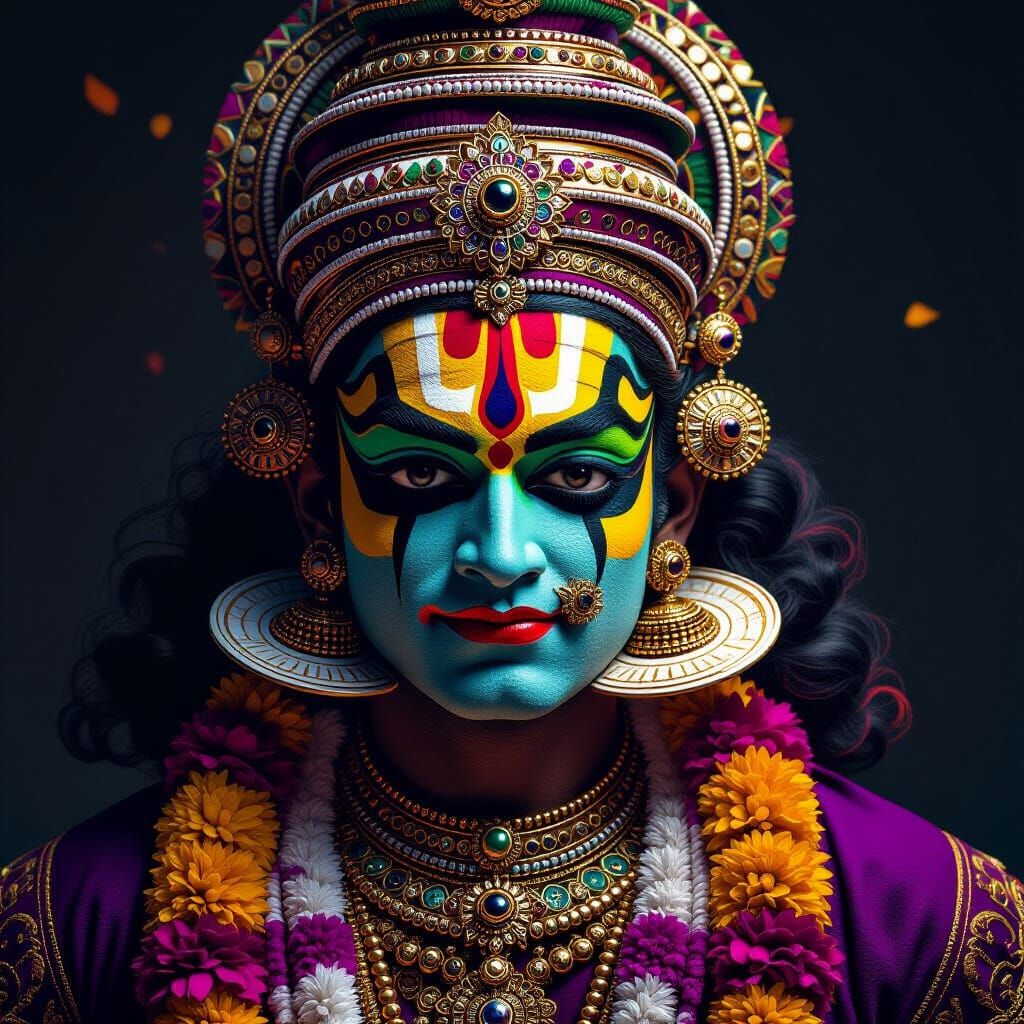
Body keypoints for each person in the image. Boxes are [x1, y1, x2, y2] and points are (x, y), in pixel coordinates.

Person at [1, 0, 1020, 1022]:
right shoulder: (78, 932)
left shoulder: (920, 927)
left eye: (573, 478)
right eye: (419, 476)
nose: (498, 552)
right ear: (319, 504)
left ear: (672, 509)